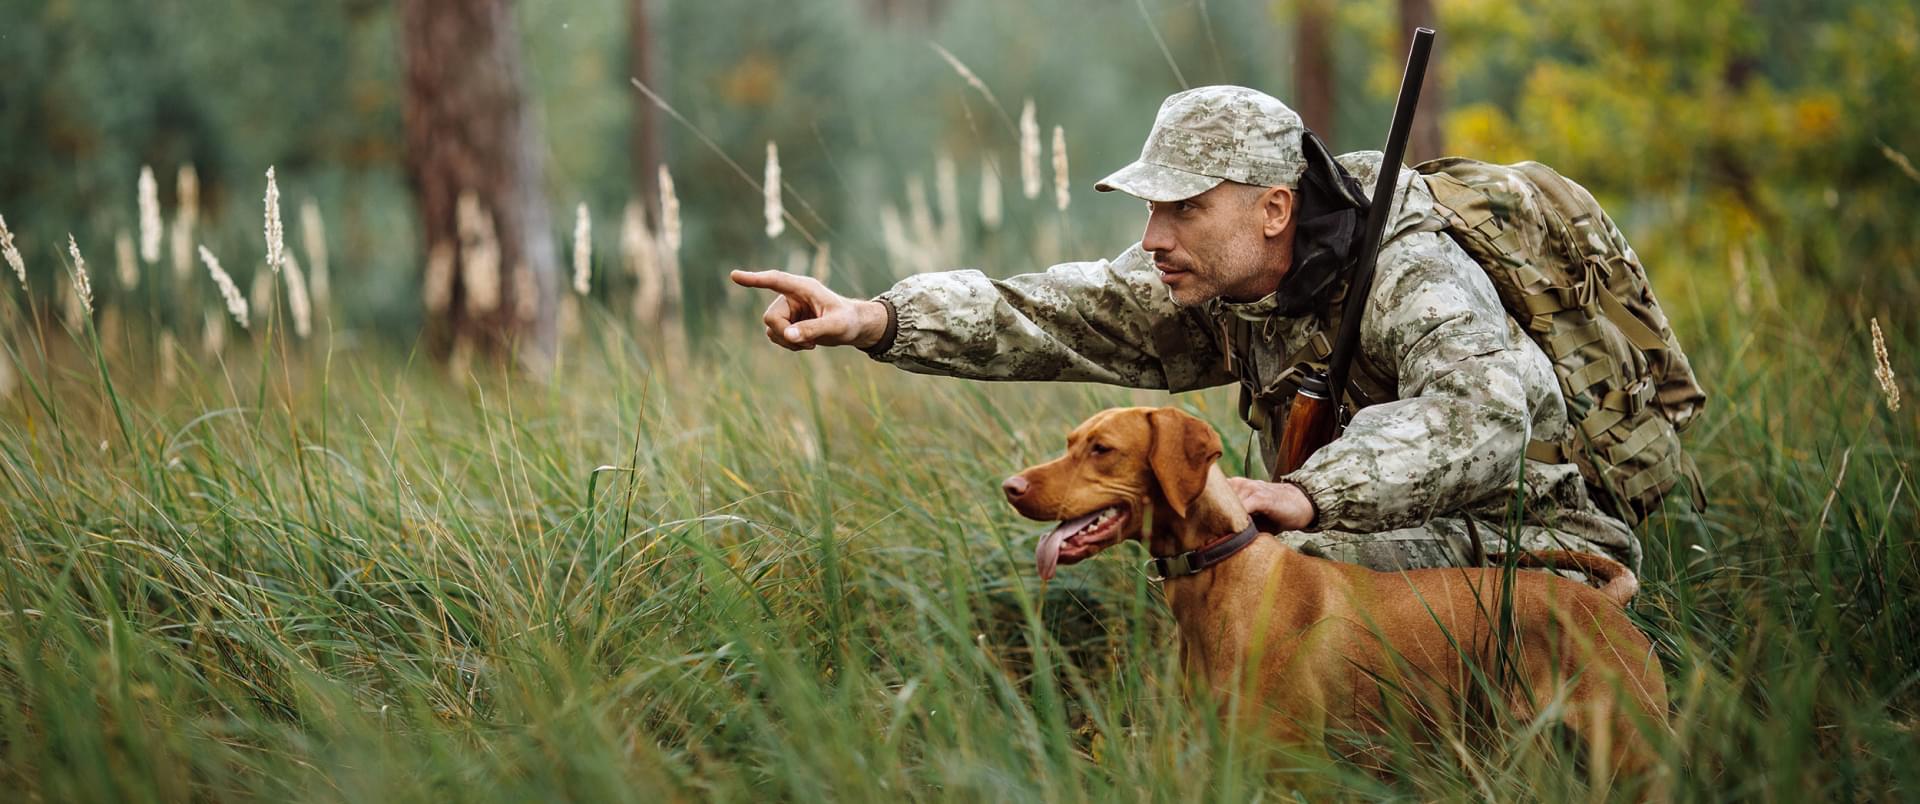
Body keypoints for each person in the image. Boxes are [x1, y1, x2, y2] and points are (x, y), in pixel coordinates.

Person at [731, 85, 1638, 572]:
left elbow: (1484, 413)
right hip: (1370, 533)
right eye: (1152, 208)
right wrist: (874, 317)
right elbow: (1050, 312)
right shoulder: (1214, 276)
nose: (1153, 239)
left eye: (1186, 210)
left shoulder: (1408, 268)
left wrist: (1307, 496)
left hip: (1533, 538)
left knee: (1282, 556)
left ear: (1275, 208)